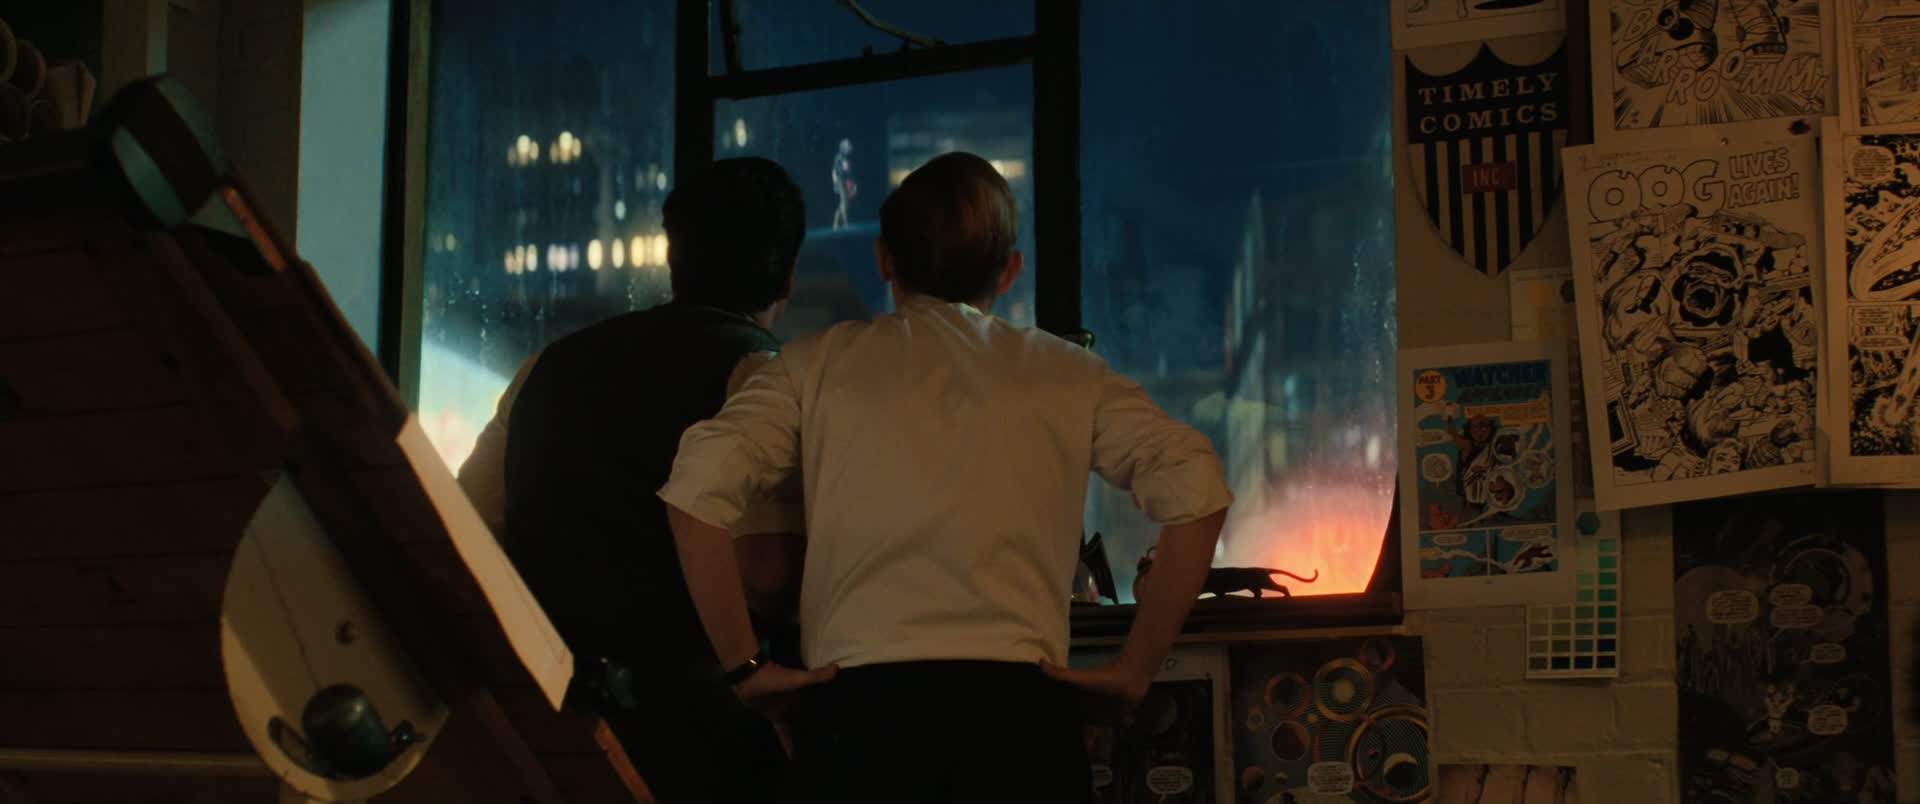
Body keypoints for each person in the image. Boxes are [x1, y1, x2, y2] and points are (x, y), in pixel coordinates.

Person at [658, 152, 1232, 803]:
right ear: (1010, 270)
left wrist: (747, 668)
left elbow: (695, 492)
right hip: (1020, 723)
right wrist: (1135, 670)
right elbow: (1196, 490)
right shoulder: (1068, 374)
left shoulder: (813, 366)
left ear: (884, 259)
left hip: (860, 723)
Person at [458, 157, 809, 802]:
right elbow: (767, 576)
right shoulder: (763, 380)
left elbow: (472, 527)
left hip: (557, 723)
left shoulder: (545, 368)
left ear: (673, 257)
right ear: (788, 272)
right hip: (699, 739)